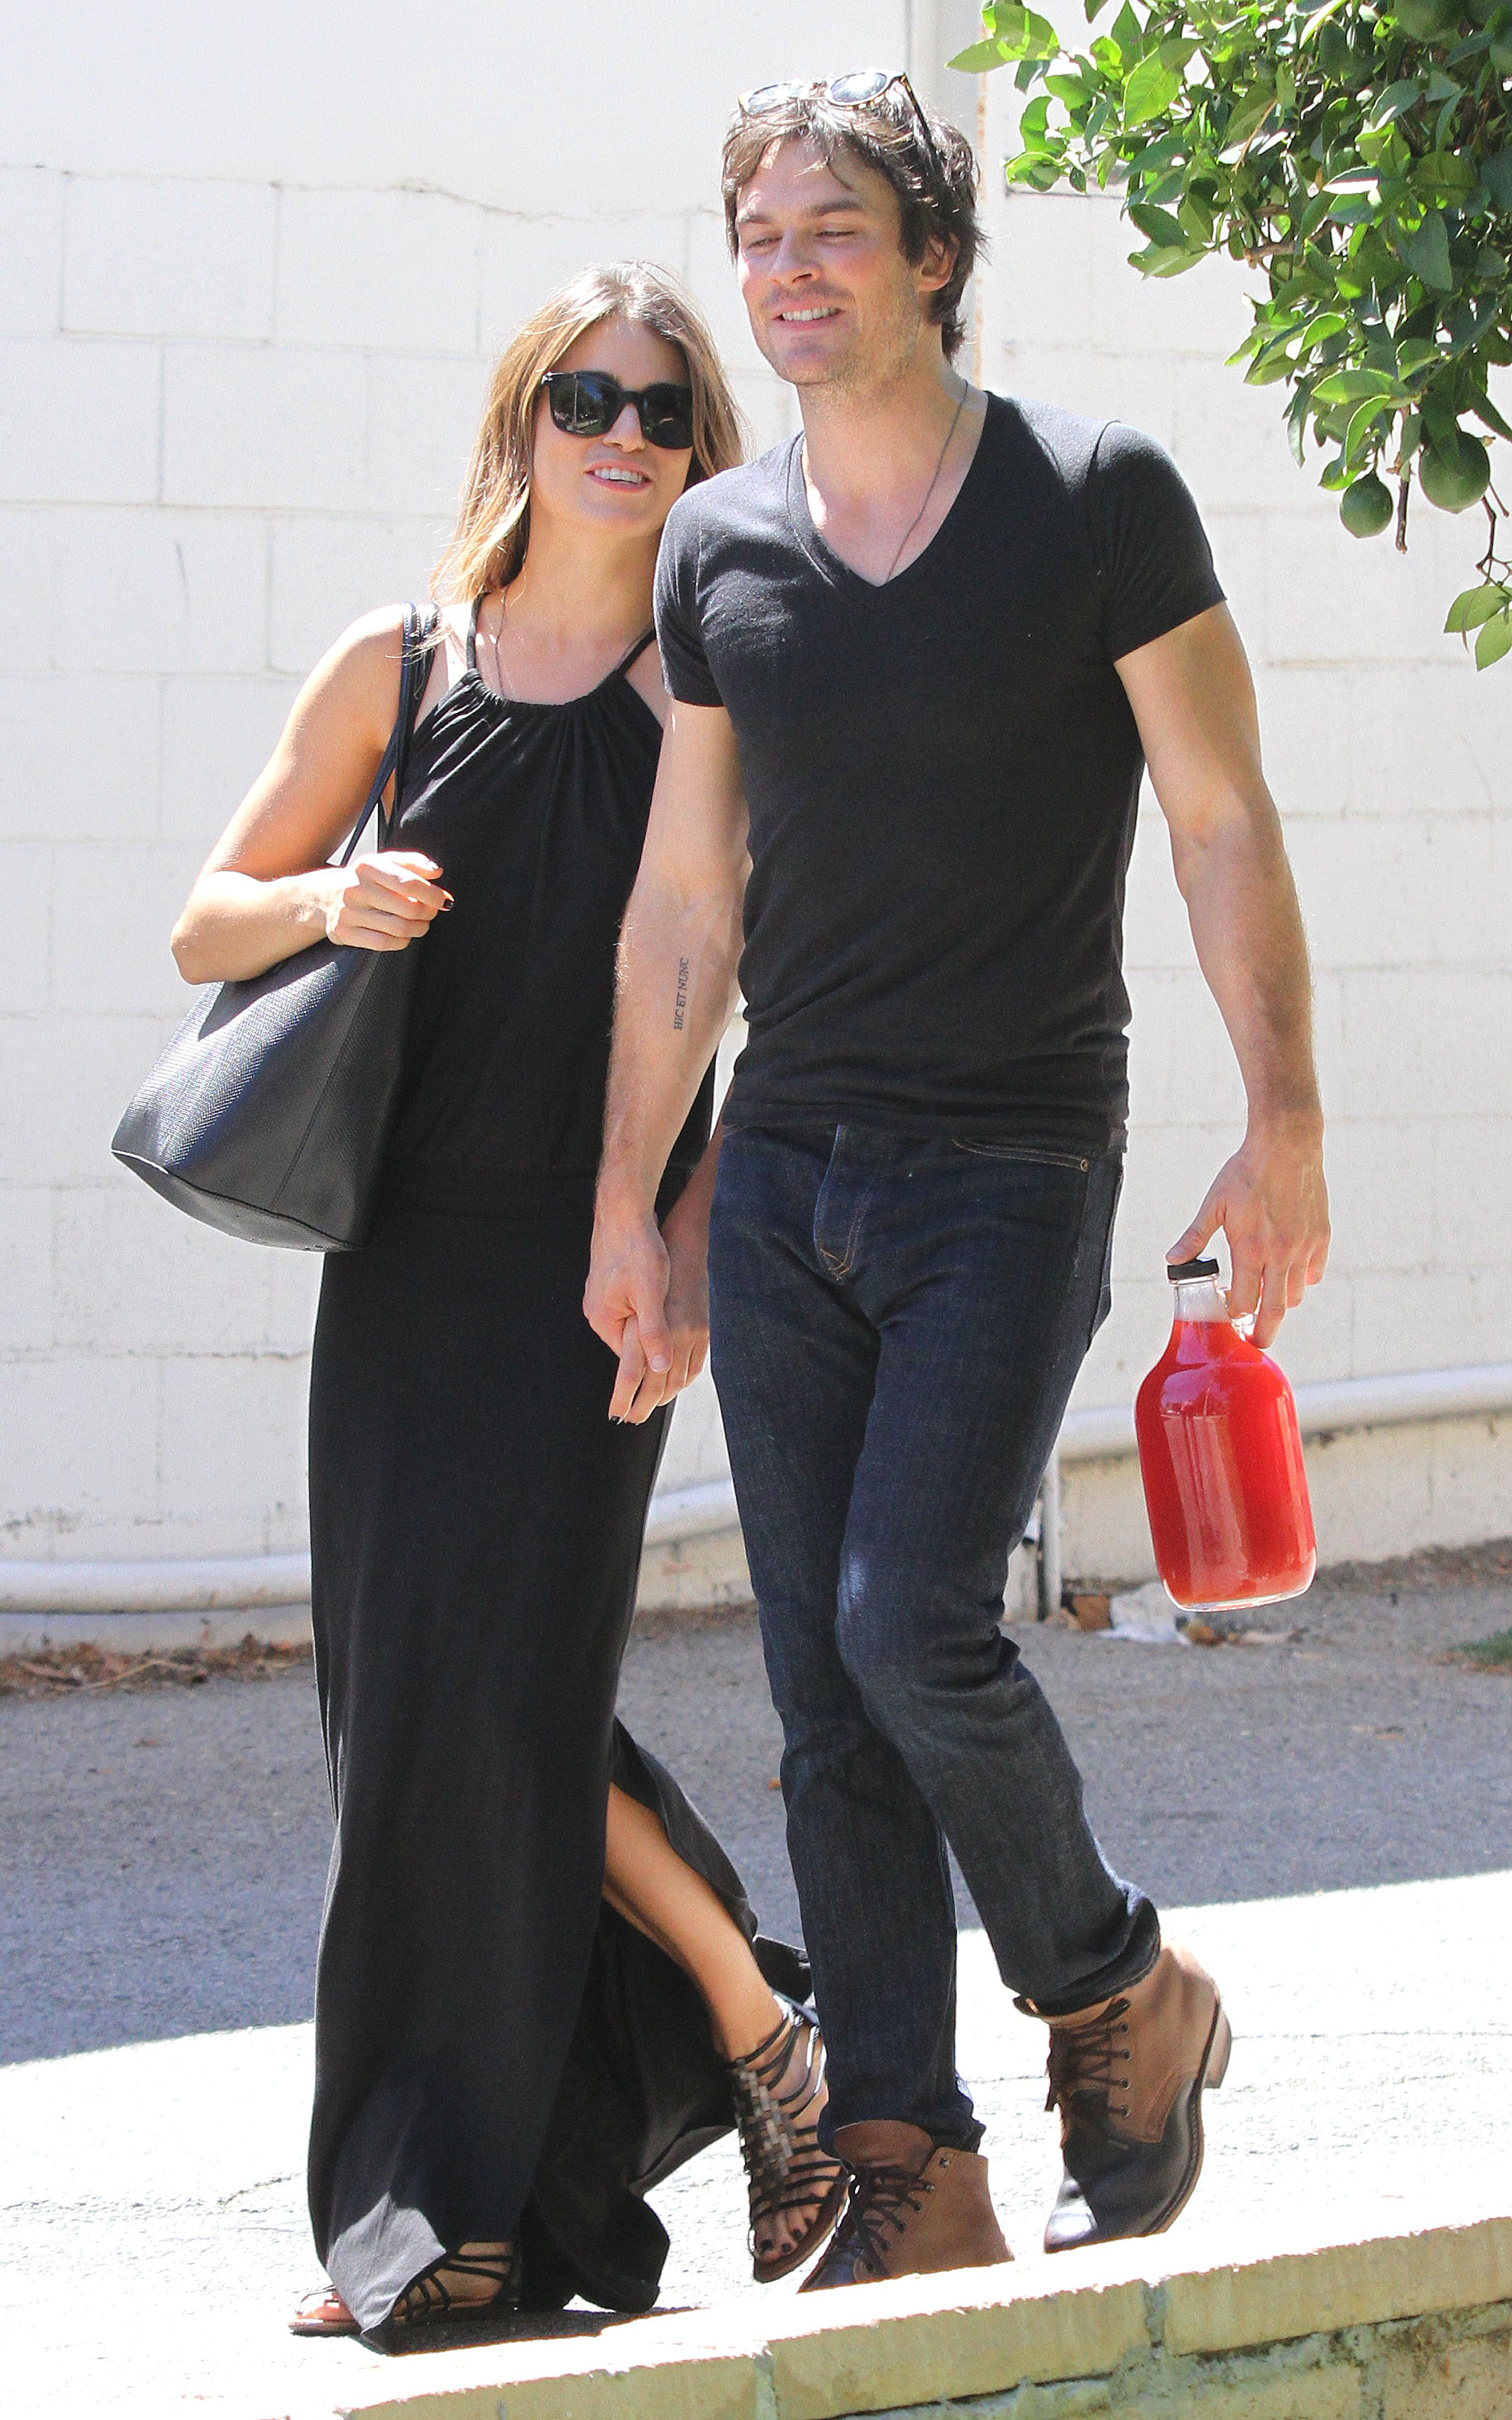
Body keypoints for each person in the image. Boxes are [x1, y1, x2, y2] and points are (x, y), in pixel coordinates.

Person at [585, 79, 1331, 2288]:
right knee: (827, 1702)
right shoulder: (719, 546)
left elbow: (1220, 815)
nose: (788, 270)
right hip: (787, 1166)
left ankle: (1112, 1982)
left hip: (1013, 1150)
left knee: (906, 1619)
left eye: (834, 228)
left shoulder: (1095, 499)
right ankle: (911, 2166)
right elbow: (687, 897)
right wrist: (636, 1199)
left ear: (933, 257)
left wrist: (1284, 1114)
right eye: (759, 234)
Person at [168, 262, 845, 2339]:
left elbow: (788, 1021)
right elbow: (206, 924)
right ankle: (485, 2188)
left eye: (663, 408)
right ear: (525, 420)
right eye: (586, 399)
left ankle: (669, 2071)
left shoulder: (716, 698)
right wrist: (331, 895)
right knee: (410, 1719)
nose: (624, 436)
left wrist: (687, 1251)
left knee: (504, 1707)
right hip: (403, 1262)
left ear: (702, 447)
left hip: (590, 1267)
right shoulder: (399, 660)